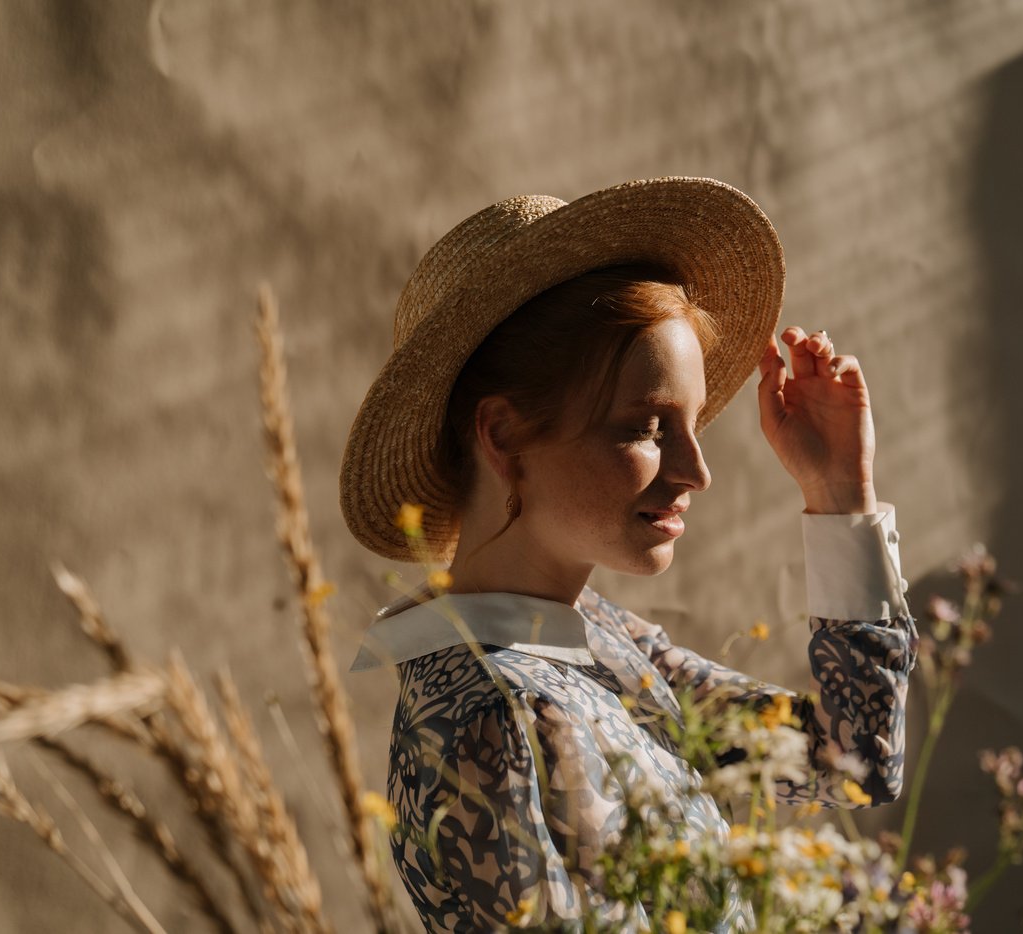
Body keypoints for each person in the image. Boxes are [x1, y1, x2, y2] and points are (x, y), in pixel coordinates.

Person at [340, 177, 918, 932]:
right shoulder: (490, 716)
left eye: (693, 426)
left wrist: (840, 489)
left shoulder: (595, 641)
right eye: (648, 428)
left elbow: (852, 763)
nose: (696, 472)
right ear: (505, 435)